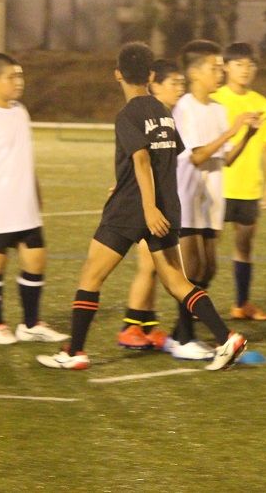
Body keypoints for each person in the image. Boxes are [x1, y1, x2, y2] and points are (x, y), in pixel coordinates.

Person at [36, 42, 246, 371]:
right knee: (177, 282)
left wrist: (146, 206)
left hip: (133, 209)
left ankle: (74, 352)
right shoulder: (164, 112)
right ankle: (227, 338)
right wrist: (145, 195)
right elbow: (167, 158)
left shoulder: (127, 114)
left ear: (117, 74)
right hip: (166, 205)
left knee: (91, 275)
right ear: (150, 75)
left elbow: (142, 159)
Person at [0, 53, 68, 345]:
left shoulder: (21, 112)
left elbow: (24, 156)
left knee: (36, 260)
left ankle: (30, 324)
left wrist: (36, 191)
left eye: (20, 76)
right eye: (11, 77)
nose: (18, 82)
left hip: (24, 204)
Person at [164, 40, 259, 361]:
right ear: (194, 73)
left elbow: (225, 158)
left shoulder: (218, 109)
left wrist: (247, 135)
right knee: (191, 268)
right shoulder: (185, 108)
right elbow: (197, 156)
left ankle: (178, 334)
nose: (220, 73)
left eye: (221, 67)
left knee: (208, 269)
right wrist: (233, 130)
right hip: (188, 195)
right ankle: (185, 338)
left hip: (211, 198)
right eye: (214, 68)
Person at [116, 59, 186, 351]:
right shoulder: (143, 115)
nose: (179, 89)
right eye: (173, 83)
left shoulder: (166, 115)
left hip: (164, 202)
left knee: (157, 268)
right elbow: (137, 160)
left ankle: (147, 325)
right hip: (148, 205)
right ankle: (130, 327)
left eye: (182, 83)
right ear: (154, 84)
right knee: (148, 265)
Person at [212, 42, 266, 321]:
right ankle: (193, 303)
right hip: (217, 186)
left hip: (249, 187)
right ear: (226, 67)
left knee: (244, 246)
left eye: (250, 65)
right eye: (238, 64)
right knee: (206, 249)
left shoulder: (265, 105)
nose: (245, 70)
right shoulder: (214, 100)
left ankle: (242, 304)